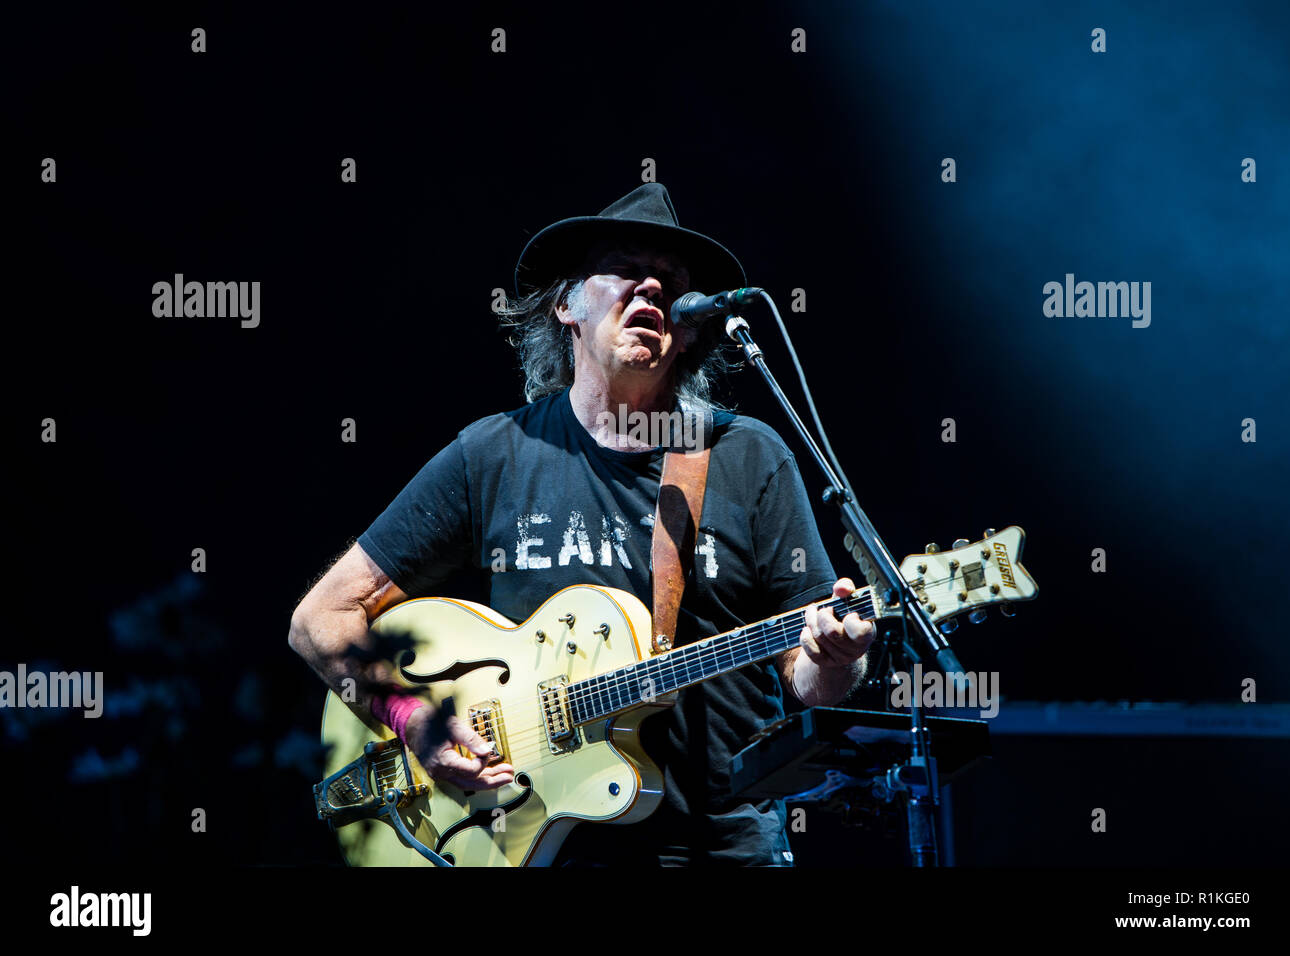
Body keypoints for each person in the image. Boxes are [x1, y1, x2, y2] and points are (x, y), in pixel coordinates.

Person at [288, 182, 875, 866]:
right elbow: (321, 619)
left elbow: (808, 680)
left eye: (675, 286)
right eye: (627, 269)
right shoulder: (493, 455)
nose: (652, 288)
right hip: (538, 844)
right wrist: (415, 720)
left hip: (726, 848)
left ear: (689, 329)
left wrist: (837, 655)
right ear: (565, 304)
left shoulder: (748, 456)